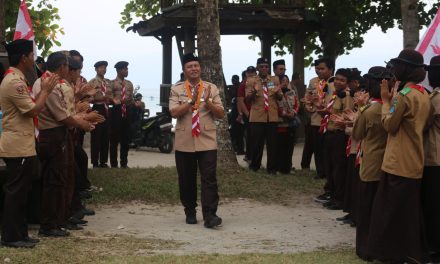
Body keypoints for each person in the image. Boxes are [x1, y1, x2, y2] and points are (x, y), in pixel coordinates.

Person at [367, 49, 431, 263]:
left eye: (397, 66)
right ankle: (410, 252)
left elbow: (389, 125)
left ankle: (389, 253)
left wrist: (386, 100)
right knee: (408, 212)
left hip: (397, 162)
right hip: (415, 160)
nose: (393, 71)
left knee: (389, 211)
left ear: (406, 69)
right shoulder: (423, 94)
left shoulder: (404, 96)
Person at [0, 39, 58, 248]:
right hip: (17, 145)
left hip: (22, 143)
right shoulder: (14, 82)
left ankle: (20, 233)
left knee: (22, 191)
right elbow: (33, 110)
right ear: (24, 58)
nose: (34, 59)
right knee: (16, 192)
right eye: (32, 56)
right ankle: (11, 236)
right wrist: (46, 91)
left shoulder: (17, 79)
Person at [35, 51, 94, 237]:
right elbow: (62, 115)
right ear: (62, 67)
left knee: (64, 178)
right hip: (52, 135)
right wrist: (82, 121)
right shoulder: (48, 84)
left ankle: (60, 219)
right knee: (56, 180)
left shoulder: (51, 81)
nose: (69, 70)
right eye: (68, 67)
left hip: (59, 134)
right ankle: (50, 224)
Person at [169, 53, 224, 228]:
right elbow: (174, 112)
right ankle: (190, 210)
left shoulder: (211, 88)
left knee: (209, 178)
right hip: (185, 140)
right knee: (186, 178)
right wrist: (190, 101)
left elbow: (221, 113)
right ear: (184, 70)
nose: (194, 69)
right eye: (189, 66)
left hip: (206, 139)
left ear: (200, 68)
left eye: (196, 66)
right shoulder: (176, 89)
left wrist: (207, 102)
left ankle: (210, 215)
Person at [351, 66, 391, 261]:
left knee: (367, 209)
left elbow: (357, 134)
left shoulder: (370, 110)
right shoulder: (392, 106)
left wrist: (359, 109)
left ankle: (365, 249)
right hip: (389, 163)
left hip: (370, 165)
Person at [319, 68, 354, 210]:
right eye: (337, 79)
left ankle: (339, 199)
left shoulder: (347, 96)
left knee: (339, 169)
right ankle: (332, 196)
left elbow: (348, 115)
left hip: (339, 135)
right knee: (330, 166)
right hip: (330, 133)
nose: (338, 82)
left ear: (347, 82)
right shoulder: (334, 95)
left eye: (342, 80)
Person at [245, 58, 282, 174]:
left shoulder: (274, 80)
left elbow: (280, 97)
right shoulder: (252, 81)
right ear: (257, 68)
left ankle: (272, 169)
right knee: (257, 144)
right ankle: (255, 166)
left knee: (273, 144)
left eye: (266, 66)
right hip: (257, 116)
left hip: (271, 116)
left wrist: (278, 93)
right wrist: (255, 91)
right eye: (261, 66)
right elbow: (247, 99)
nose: (264, 69)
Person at [302, 58, 334, 186]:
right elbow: (307, 97)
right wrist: (307, 106)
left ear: (330, 69)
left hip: (331, 120)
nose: (319, 71)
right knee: (317, 148)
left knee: (328, 149)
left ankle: (329, 171)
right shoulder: (312, 82)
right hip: (316, 120)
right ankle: (320, 172)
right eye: (317, 68)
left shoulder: (334, 82)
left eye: (322, 68)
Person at [422, 56, 440, 263]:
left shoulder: (435, 98)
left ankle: (435, 247)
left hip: (434, 157)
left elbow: (422, 125)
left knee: (433, 205)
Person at [109, 61, 134, 168]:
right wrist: (117, 101)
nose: (126, 71)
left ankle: (124, 163)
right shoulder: (112, 83)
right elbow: (109, 98)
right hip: (116, 111)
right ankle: (114, 164)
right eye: (124, 69)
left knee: (126, 138)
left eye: (127, 69)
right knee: (114, 139)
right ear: (119, 70)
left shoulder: (129, 84)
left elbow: (131, 98)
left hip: (127, 111)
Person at [88, 61, 111, 168]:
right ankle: (95, 162)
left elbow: (111, 96)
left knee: (105, 136)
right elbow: (88, 98)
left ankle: (103, 161)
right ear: (96, 69)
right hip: (97, 108)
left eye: (105, 67)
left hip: (107, 109)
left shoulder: (108, 82)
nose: (103, 69)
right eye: (101, 67)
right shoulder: (92, 82)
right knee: (96, 136)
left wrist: (111, 99)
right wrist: (100, 98)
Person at [275, 74, 299, 174]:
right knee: (280, 147)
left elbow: (297, 104)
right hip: (280, 124)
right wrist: (285, 114)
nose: (285, 82)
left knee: (290, 147)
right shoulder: (276, 93)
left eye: (287, 80)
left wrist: (294, 112)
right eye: (283, 80)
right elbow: (275, 106)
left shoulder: (292, 92)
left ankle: (288, 167)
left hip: (291, 123)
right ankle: (279, 168)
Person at [237, 66, 256, 162]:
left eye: (253, 72)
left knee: (255, 136)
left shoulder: (259, 83)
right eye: (249, 72)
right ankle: (249, 156)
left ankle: (253, 156)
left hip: (258, 113)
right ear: (246, 74)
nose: (251, 74)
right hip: (248, 113)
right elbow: (240, 100)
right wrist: (245, 113)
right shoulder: (243, 84)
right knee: (250, 135)